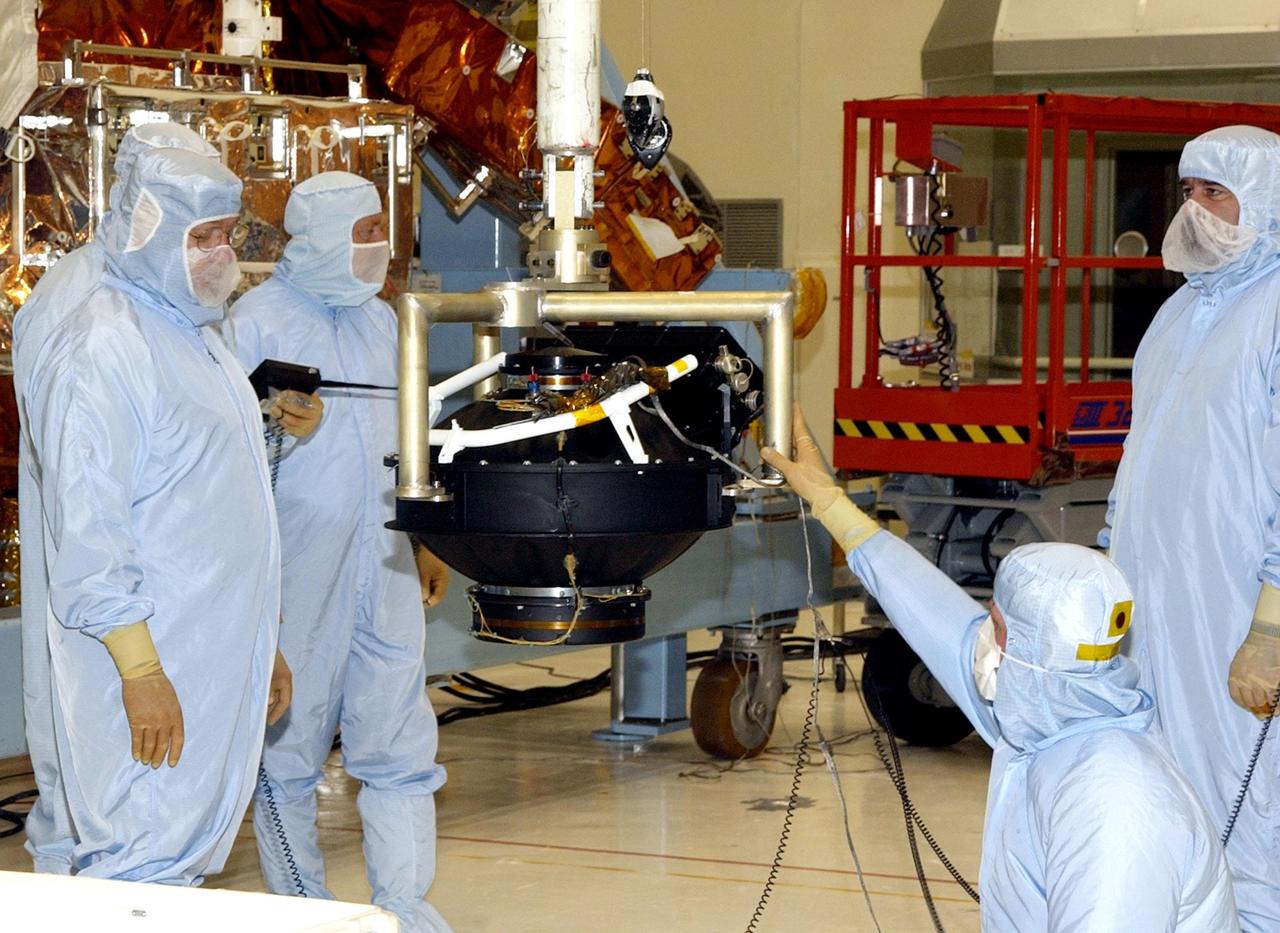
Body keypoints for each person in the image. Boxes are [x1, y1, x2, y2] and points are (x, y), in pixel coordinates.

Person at [762, 414, 1238, 931]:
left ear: (1015, 638)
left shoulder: (1113, 800)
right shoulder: (1050, 713)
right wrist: (834, 507)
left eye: (991, 621)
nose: (979, 636)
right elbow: (936, 616)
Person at [19, 137, 303, 884]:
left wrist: (257, 646)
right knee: (137, 869)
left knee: (170, 869)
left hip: (206, 661)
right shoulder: (104, 343)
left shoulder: (192, 332)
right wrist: (140, 669)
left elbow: (217, 509)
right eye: (200, 238)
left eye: (226, 234)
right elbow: (89, 530)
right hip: (148, 668)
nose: (219, 253)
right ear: (146, 227)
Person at [222, 171, 450, 933]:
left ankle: (404, 909)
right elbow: (218, 457)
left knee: (399, 737)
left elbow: (402, 440)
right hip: (297, 569)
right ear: (319, 239)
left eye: (382, 230)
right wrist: (274, 426)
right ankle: (305, 917)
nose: (379, 247)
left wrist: (425, 538)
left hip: (384, 559)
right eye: (363, 232)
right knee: (288, 747)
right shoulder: (254, 321)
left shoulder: (383, 322)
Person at [1100, 125, 1280, 930]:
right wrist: (1110, 576)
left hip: (1240, 617)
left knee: (1253, 811)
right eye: (1188, 192)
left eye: (1217, 194)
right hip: (1156, 617)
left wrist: (1271, 621)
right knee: (1166, 803)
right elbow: (1137, 463)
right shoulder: (1173, 316)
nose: (1196, 211)